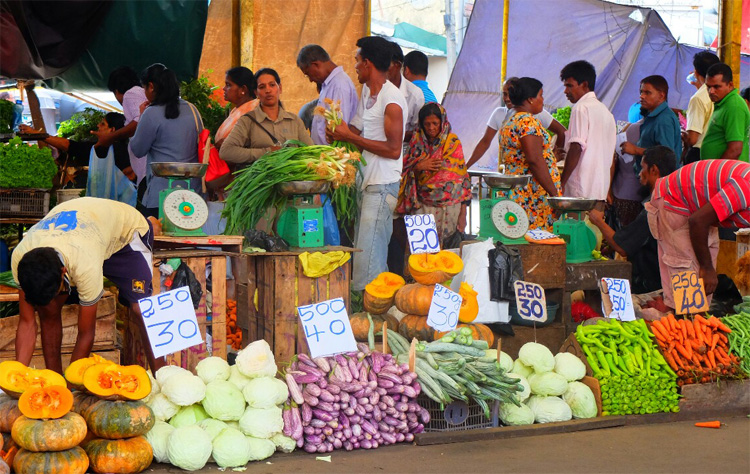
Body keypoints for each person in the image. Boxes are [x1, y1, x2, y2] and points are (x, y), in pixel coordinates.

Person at [11, 198, 164, 374]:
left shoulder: (85, 265)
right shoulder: (21, 257)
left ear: (63, 272)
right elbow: (27, 322)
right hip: (87, 232)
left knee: (142, 309)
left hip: (124, 236)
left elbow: (86, 334)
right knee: (49, 308)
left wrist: (73, 382)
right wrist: (16, 377)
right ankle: (55, 377)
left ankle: (163, 377)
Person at [328, 36, 407, 291]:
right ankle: (376, 311)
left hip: (383, 186)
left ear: (368, 63)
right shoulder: (367, 92)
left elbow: (394, 150)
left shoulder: (392, 99)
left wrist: (349, 137)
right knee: (366, 252)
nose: (355, 66)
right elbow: (358, 126)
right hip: (367, 182)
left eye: (357, 61)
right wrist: (339, 134)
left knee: (367, 259)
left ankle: (367, 317)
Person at [646, 159, 750, 310]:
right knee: (689, 275)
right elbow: (697, 221)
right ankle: (681, 320)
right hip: (676, 201)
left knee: (704, 284)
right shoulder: (745, 188)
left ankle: (693, 318)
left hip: (702, 210)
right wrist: (706, 267)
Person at [589, 146, 677, 294]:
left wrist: (598, 220)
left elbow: (622, 247)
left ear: (654, 170)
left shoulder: (654, 206)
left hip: (651, 284)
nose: (639, 174)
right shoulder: (672, 197)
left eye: (642, 168)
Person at [129, 64, 203, 218]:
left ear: (151, 86)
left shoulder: (151, 113)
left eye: (144, 89)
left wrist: (141, 117)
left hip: (160, 196)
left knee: (157, 240)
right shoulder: (192, 109)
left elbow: (137, 149)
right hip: (193, 196)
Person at [20, 113, 137, 205]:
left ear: (112, 130)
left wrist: (38, 134)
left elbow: (70, 146)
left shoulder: (110, 148)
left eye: (102, 124)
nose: (98, 126)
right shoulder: (127, 148)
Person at [397, 103, 470, 242]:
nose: (431, 128)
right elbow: (403, 171)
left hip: (450, 210)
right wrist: (418, 166)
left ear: (442, 122)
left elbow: (462, 180)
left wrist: (463, 214)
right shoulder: (416, 143)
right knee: (422, 254)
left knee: (447, 256)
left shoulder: (452, 143)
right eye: (427, 124)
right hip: (423, 206)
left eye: (435, 123)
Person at [498, 77, 561, 231]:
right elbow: (534, 160)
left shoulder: (511, 120)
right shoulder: (527, 122)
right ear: (531, 99)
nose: (543, 100)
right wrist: (554, 195)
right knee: (535, 240)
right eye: (541, 95)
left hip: (517, 191)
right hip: (532, 195)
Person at [466, 77, 567, 169]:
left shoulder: (537, 113)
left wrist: (553, 156)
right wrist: (467, 167)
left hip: (533, 173)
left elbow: (561, 132)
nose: (507, 98)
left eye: (511, 93)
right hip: (523, 174)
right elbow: (485, 142)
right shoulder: (501, 114)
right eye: (504, 94)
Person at [220, 68, 313, 165]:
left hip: (292, 178)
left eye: (272, 85)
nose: (268, 90)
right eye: (262, 87)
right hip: (259, 179)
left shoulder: (294, 121)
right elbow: (225, 152)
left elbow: (310, 151)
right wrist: (266, 152)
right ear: (256, 92)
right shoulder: (247, 121)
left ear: (280, 88)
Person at [559, 60, 616, 203]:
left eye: (569, 86)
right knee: (590, 226)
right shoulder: (606, 113)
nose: (566, 91)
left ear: (584, 85)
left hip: (580, 191)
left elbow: (576, 147)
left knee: (573, 225)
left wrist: (561, 182)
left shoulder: (581, 108)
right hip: (599, 191)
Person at [297, 44, 359, 146]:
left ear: (315, 65)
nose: (311, 80)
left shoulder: (339, 85)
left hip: (332, 155)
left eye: (308, 74)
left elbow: (338, 130)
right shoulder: (329, 83)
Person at [96, 67, 148, 186]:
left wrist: (110, 137)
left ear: (117, 90)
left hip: (147, 173)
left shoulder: (130, 94)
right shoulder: (141, 93)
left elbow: (139, 121)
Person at [621, 75, 682, 164]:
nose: (642, 96)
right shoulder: (653, 116)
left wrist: (636, 150)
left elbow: (666, 155)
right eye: (641, 92)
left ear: (661, 96)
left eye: (647, 93)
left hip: (661, 176)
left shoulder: (664, 119)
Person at [700, 63, 750, 161]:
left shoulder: (734, 106)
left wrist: (716, 171)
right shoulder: (724, 103)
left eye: (716, 87)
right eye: (708, 87)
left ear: (730, 85)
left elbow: (735, 149)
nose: (711, 91)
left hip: (727, 173)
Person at [682, 51, 720, 164]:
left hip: (699, 154)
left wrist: (684, 136)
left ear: (696, 72)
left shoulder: (698, 98)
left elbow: (693, 139)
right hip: (717, 153)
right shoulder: (722, 92)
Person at [386, 41, 424, 146]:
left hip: (402, 155)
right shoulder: (370, 88)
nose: (380, 70)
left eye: (384, 65)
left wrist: (393, 134)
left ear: (397, 65)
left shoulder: (416, 95)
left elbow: (419, 133)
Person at [214, 67, 259, 151]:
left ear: (243, 89)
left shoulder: (254, 111)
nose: (224, 89)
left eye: (228, 85)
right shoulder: (238, 109)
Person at [610, 121, 643, 228]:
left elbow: (614, 160)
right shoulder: (647, 128)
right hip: (633, 194)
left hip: (621, 191)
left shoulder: (628, 127)